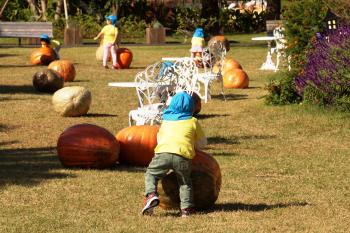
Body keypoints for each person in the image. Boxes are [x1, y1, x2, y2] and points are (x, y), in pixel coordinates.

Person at [142, 91, 207, 217]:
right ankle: (186, 209)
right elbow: (202, 143)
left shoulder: (166, 121)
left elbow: (159, 139)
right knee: (185, 182)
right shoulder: (193, 121)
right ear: (192, 107)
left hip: (163, 154)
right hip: (182, 156)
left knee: (151, 174)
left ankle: (151, 195)